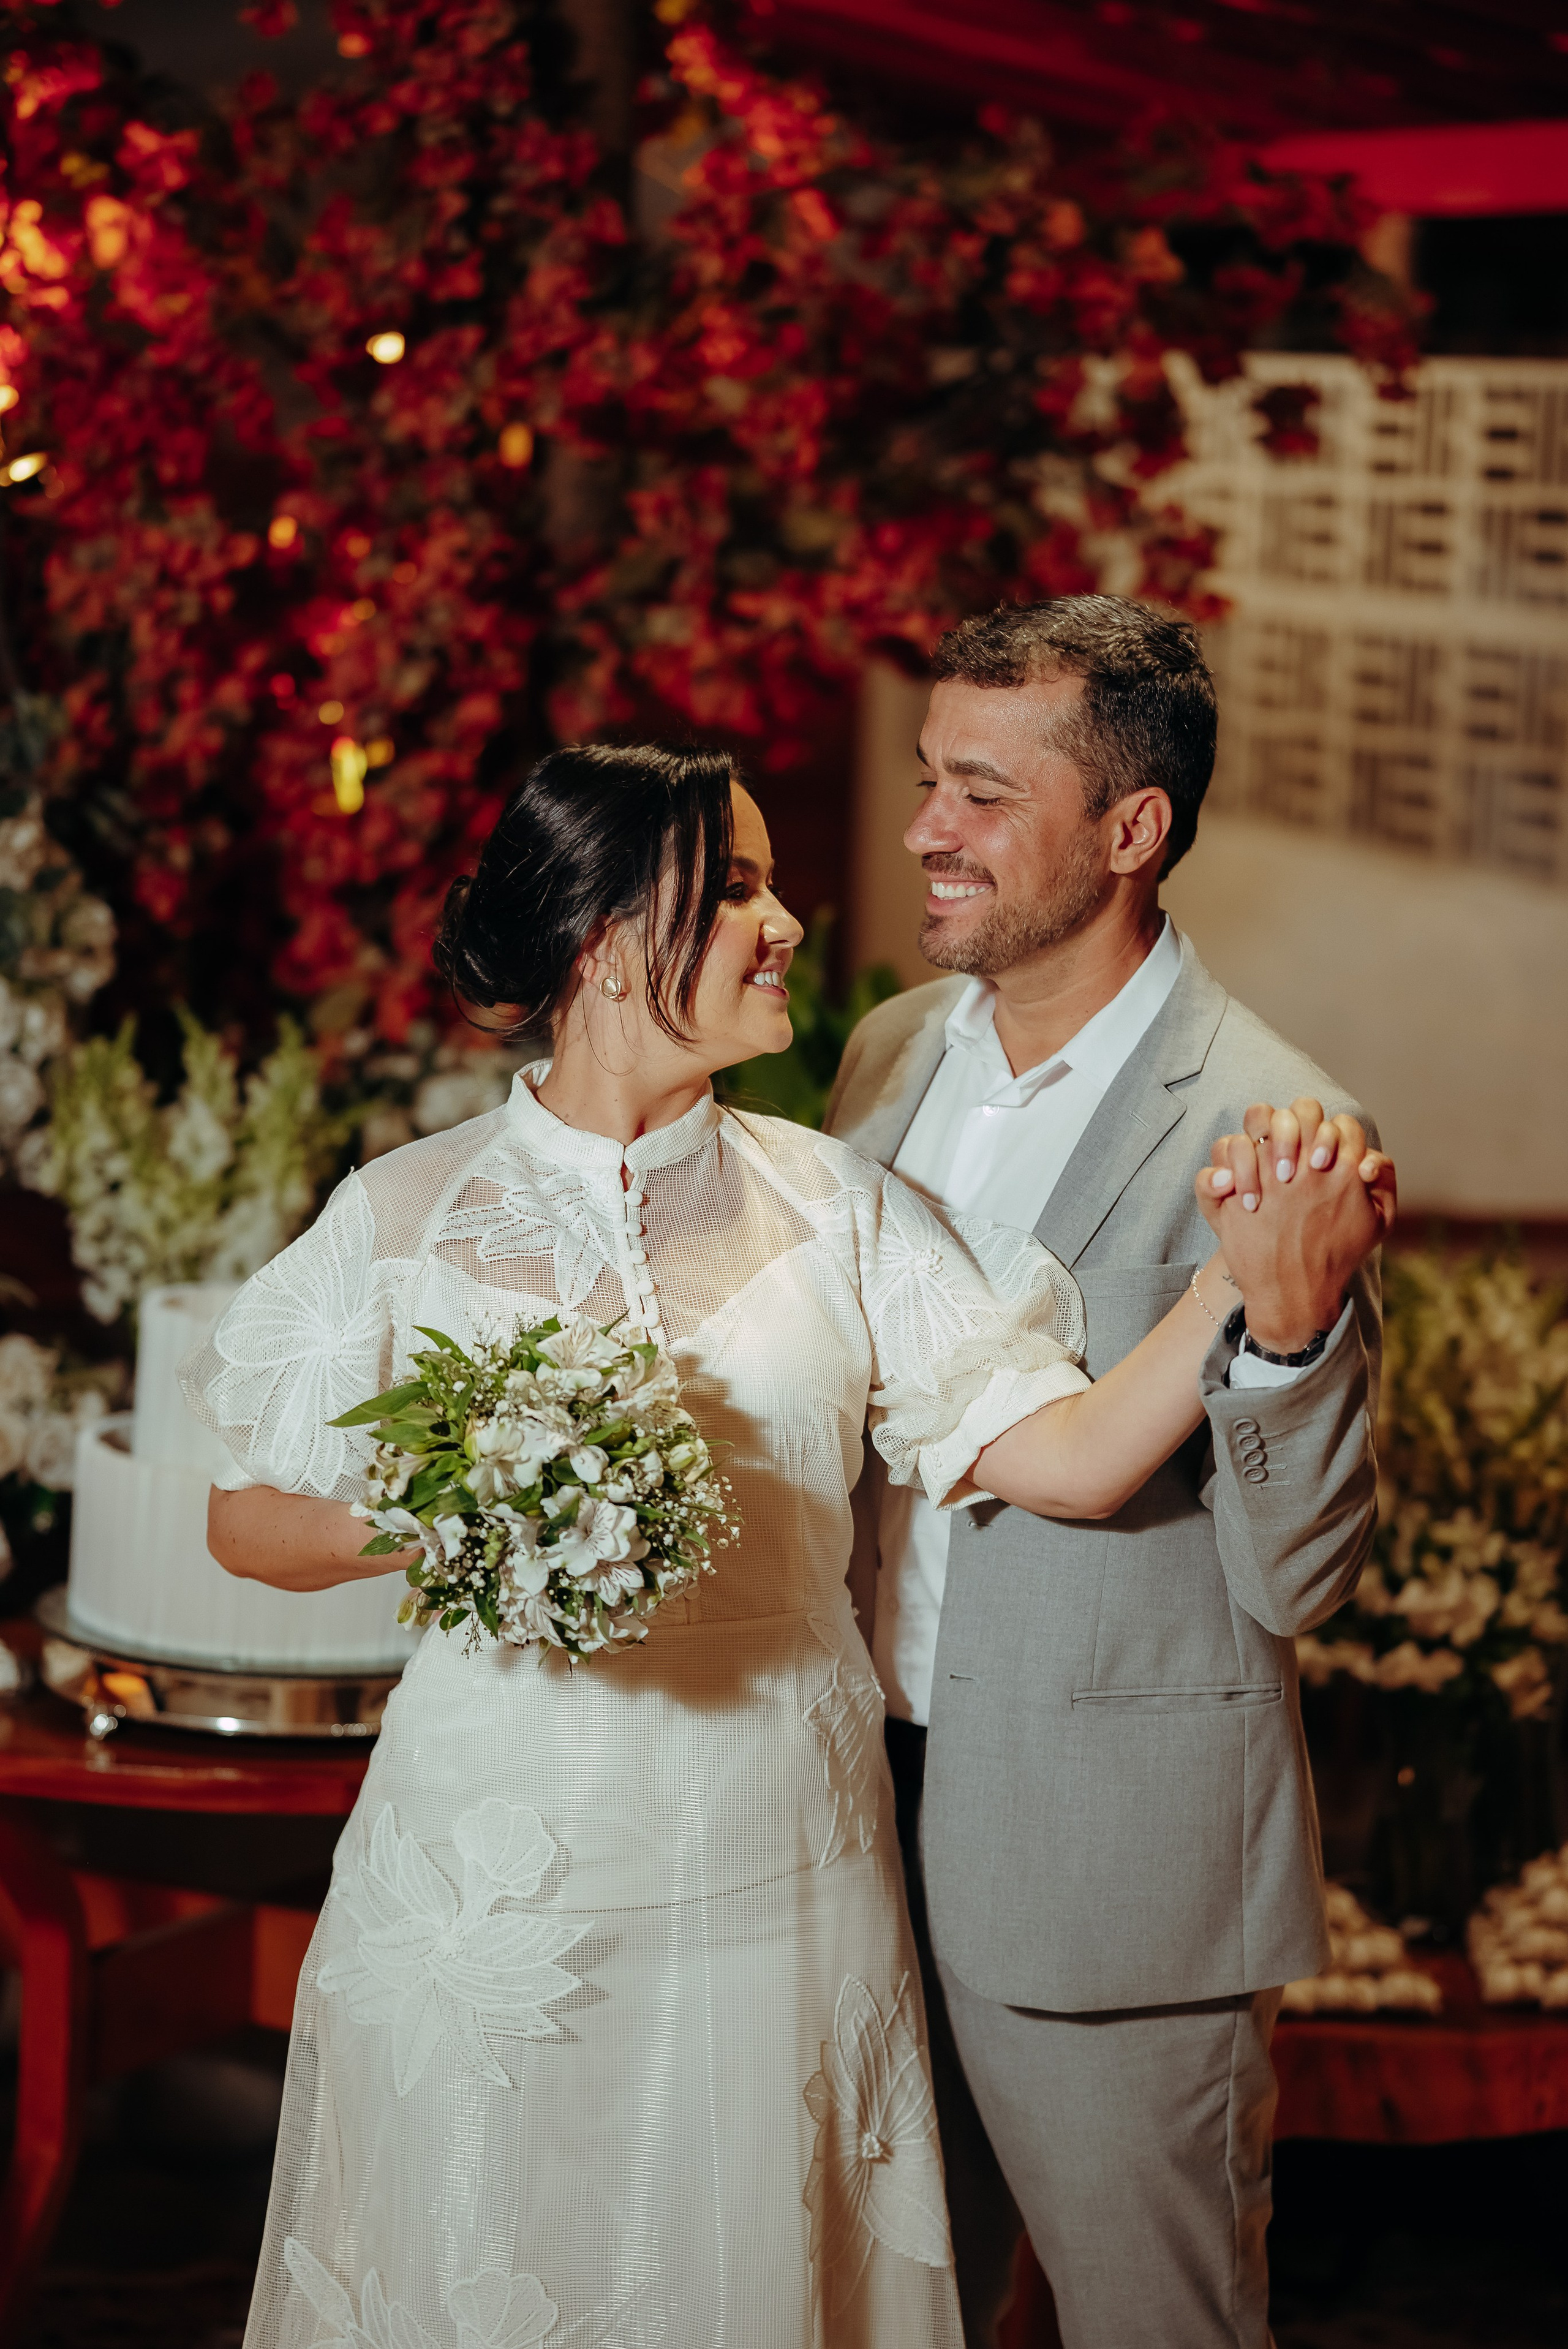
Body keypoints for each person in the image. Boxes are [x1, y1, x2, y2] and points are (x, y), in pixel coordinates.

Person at [187, 741, 1391, 2349]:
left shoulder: (842, 1210)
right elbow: (244, 1516)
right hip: (484, 1874)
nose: (791, 927)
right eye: (739, 887)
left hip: (771, 1872)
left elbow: (1076, 1456)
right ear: (609, 938)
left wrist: (1244, 1282)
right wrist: (451, 1505)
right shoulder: (403, 1217)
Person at [826, 594, 1390, 2349]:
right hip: (854, 1817)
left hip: (1105, 1875)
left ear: (1131, 830)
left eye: (983, 793)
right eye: (931, 779)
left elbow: (1303, 1577)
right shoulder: (886, 1057)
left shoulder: (1278, 1125)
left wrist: (1288, 1335)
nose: (929, 828)